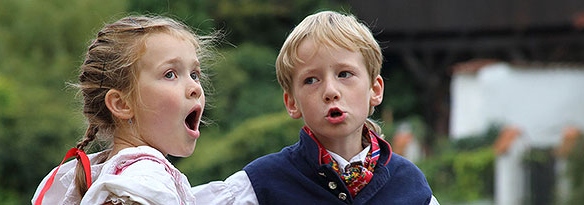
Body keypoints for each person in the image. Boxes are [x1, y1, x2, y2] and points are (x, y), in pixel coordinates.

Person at [192, 11, 439, 204]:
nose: (331, 91)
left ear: (375, 90)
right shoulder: (261, 184)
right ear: (292, 103)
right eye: (311, 80)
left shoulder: (410, 184)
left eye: (344, 74)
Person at [32, 15, 213, 205]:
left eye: (194, 74)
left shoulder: (109, 175)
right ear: (121, 104)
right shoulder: (143, 182)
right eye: (170, 74)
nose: (195, 88)